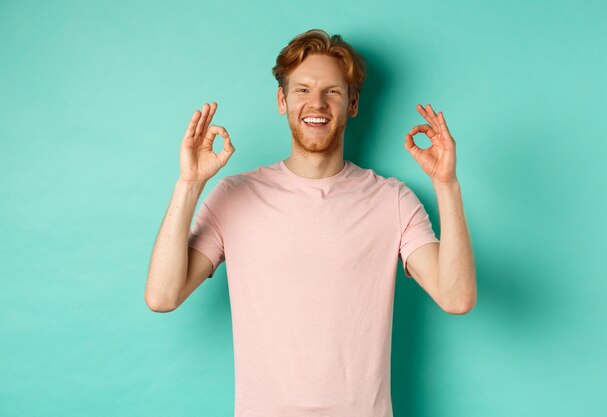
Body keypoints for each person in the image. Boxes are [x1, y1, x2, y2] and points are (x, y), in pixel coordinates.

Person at [145, 29, 476, 417]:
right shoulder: (233, 196)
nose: (316, 103)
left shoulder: (393, 201)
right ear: (282, 100)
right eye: (302, 90)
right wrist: (189, 184)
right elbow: (162, 296)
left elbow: (456, 297)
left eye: (332, 91)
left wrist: (447, 186)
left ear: (352, 103)